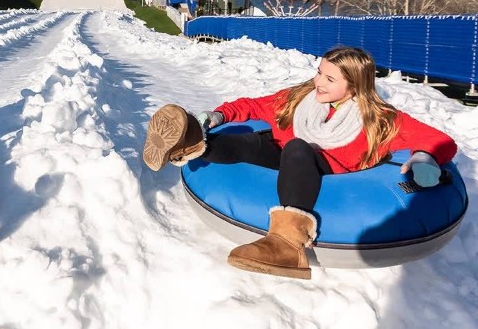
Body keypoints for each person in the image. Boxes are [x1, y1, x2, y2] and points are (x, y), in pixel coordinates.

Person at [142, 46, 457, 280]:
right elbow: (252, 107)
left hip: (322, 172)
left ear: (354, 86)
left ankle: (287, 245)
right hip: (282, 156)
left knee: (296, 148)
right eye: (319, 71)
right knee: (249, 142)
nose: (318, 81)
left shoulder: (379, 120)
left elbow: (439, 140)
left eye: (329, 78)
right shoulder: (300, 97)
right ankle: (188, 143)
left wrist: (423, 157)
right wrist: (217, 116)